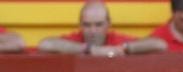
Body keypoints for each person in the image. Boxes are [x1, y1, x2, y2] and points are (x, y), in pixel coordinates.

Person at [38, 2, 167, 57]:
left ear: (108, 25)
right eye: (87, 25)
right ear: (80, 25)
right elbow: (45, 44)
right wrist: (89, 49)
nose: (93, 31)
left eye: (98, 25)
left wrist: (123, 48)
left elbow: (159, 44)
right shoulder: (76, 39)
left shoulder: (116, 40)